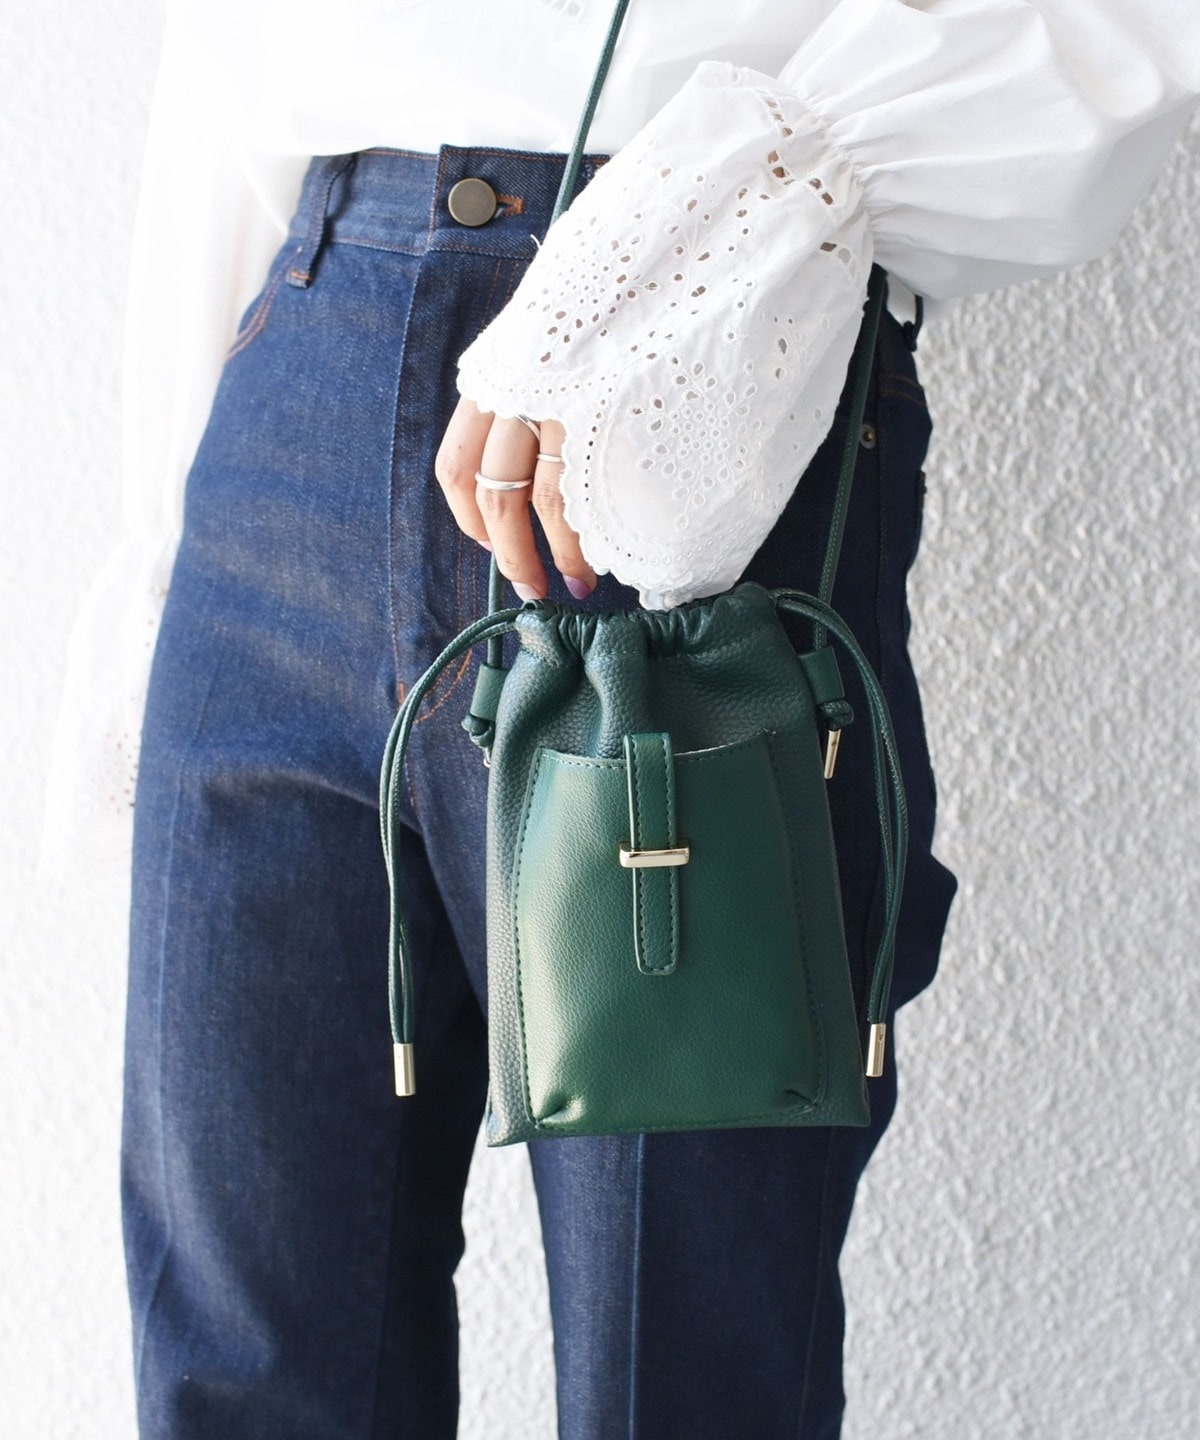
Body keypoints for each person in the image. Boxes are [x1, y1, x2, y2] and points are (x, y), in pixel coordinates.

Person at [44, 2, 1199, 1436]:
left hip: (693, 387)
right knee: (246, 1367)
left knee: (683, 1376)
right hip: (297, 379)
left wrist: (721, 214)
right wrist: (168, 550)